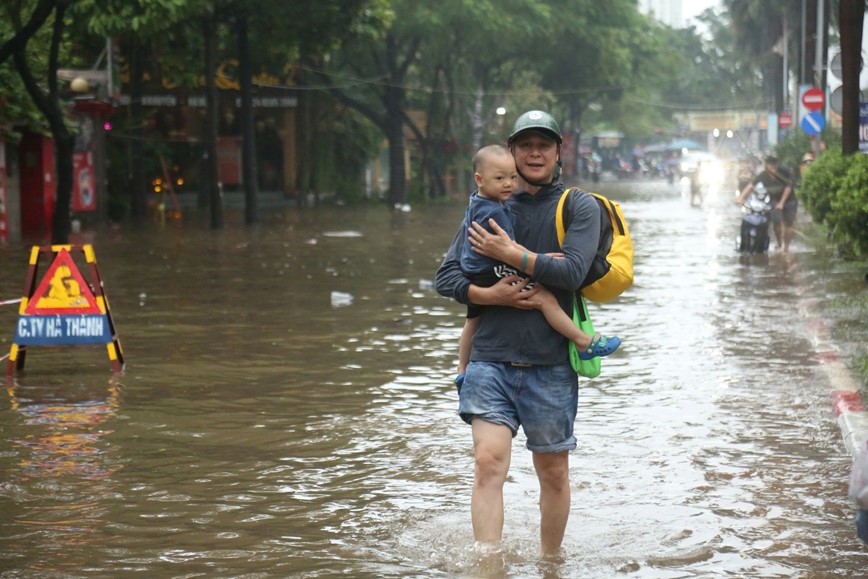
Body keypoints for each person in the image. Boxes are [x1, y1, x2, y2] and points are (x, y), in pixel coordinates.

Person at [435, 110, 606, 556]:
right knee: (488, 463)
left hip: (551, 364)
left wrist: (512, 252)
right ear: (510, 152)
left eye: (543, 145)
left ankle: (551, 562)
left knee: (552, 472)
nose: (534, 153)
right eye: (525, 144)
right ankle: (488, 565)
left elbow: (572, 271)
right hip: (490, 358)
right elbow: (446, 277)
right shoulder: (487, 207)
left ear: (557, 153)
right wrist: (491, 297)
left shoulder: (579, 207)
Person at [454, 144, 620, 390]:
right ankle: (583, 341)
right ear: (480, 179)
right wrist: (538, 258)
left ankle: (461, 370)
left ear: (557, 153)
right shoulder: (498, 212)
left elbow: (568, 272)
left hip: (476, 272)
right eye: (500, 179)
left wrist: (482, 293)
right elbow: (507, 251)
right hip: (493, 272)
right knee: (544, 298)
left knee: (472, 321)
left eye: (510, 178)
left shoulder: (476, 203)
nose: (508, 184)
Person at [735, 154, 796, 252]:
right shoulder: (763, 175)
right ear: (766, 165)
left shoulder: (783, 172)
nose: (772, 167)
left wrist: (781, 203)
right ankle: (779, 242)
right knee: (776, 221)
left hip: (789, 200)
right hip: (774, 200)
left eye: (773, 164)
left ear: (776, 164)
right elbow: (751, 185)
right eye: (769, 164)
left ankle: (786, 247)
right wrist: (741, 197)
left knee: (788, 224)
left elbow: (788, 188)